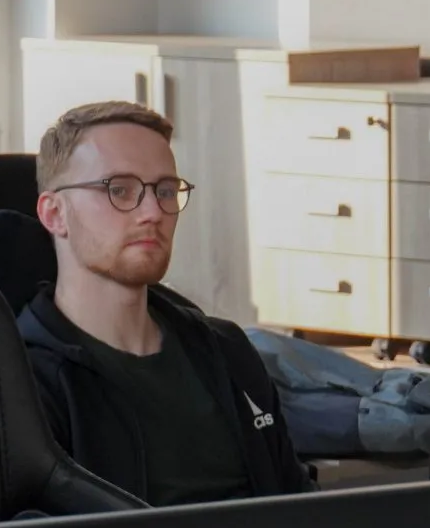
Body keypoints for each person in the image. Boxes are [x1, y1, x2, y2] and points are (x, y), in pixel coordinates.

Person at [17, 100, 310, 504]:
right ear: (55, 214)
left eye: (166, 191)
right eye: (120, 190)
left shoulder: (226, 351)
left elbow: (299, 504)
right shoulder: (23, 383)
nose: (153, 212)